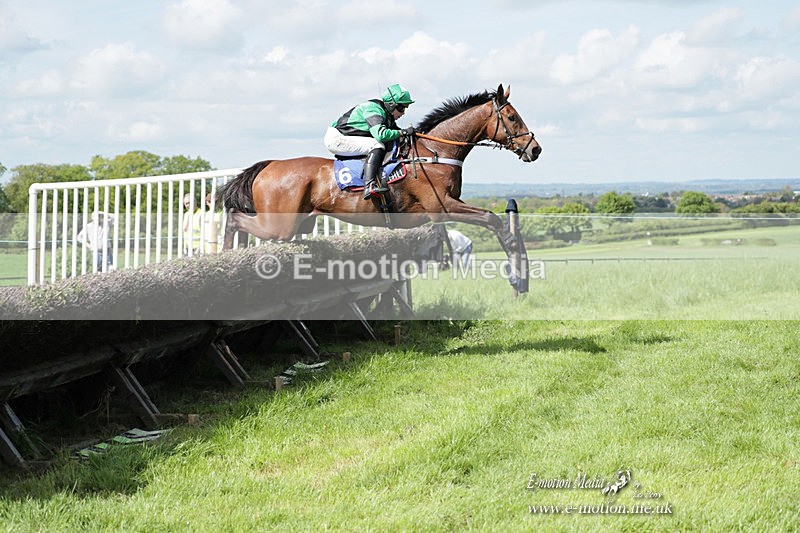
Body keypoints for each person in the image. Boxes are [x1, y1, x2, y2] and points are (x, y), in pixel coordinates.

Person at [324, 83, 416, 199]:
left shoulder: (387, 116)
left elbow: (397, 133)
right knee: (377, 145)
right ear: (391, 105)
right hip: (336, 139)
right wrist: (403, 132)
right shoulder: (373, 109)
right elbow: (381, 135)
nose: (403, 113)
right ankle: (369, 185)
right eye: (401, 108)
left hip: (344, 137)